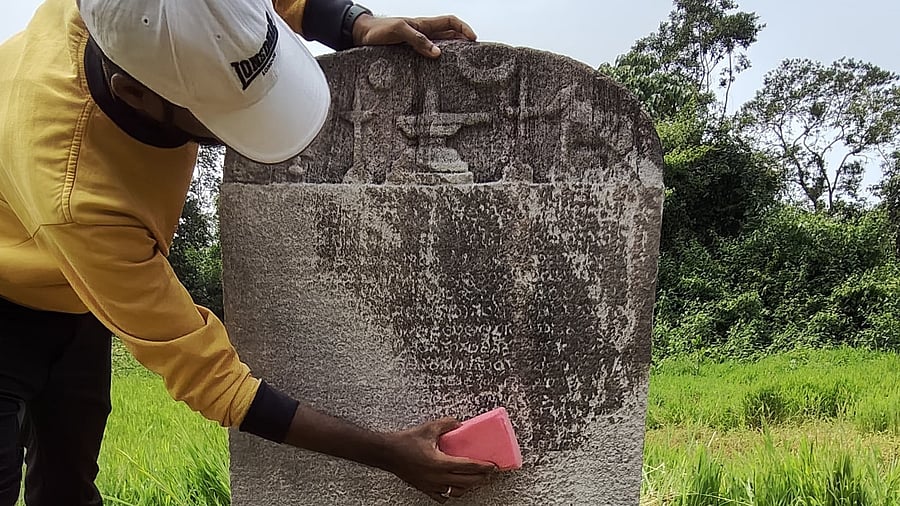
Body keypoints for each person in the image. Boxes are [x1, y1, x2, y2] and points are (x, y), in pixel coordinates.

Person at [0, 0, 496, 504]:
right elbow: (215, 380)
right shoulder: (79, 195)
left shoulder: (125, 13)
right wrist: (389, 453)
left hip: (79, 297)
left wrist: (354, 24)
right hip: (10, 293)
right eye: (223, 114)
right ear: (135, 93)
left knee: (67, 485)